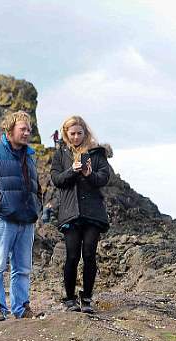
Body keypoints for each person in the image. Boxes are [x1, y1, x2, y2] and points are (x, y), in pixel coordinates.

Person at [0, 110, 41, 321]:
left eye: (29, 129)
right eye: (23, 129)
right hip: (2, 220)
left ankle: (22, 309)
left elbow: (36, 186)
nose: (27, 133)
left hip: (26, 221)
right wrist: (0, 204)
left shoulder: (29, 157)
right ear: (10, 129)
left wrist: (35, 207)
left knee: (22, 269)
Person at [49, 115, 112, 314]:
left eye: (79, 133)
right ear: (66, 134)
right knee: (72, 256)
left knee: (90, 255)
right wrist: (72, 170)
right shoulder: (60, 154)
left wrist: (88, 174)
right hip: (70, 213)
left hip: (93, 212)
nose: (76, 137)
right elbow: (56, 179)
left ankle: (86, 299)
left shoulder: (96, 153)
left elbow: (104, 178)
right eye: (72, 133)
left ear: (85, 133)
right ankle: (69, 299)